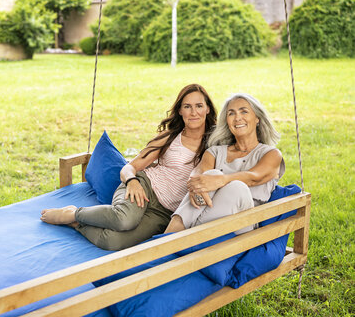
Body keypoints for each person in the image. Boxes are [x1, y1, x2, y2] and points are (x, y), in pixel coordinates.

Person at [41, 84, 217, 250]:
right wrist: (133, 181)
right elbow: (128, 168)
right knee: (124, 220)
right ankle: (72, 213)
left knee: (112, 241)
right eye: (187, 106)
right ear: (180, 111)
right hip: (144, 187)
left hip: (165, 211)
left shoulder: (216, 144)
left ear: (207, 108)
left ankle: (76, 224)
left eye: (199, 106)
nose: (194, 112)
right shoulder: (170, 137)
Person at [165, 93, 285, 234]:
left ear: (257, 118)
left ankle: (182, 240)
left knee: (237, 187)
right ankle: (167, 240)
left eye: (244, 111)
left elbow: (254, 177)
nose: (238, 118)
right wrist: (194, 185)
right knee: (210, 175)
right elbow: (199, 174)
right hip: (206, 220)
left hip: (243, 224)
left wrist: (220, 180)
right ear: (227, 121)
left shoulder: (270, 154)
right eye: (231, 113)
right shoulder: (215, 152)